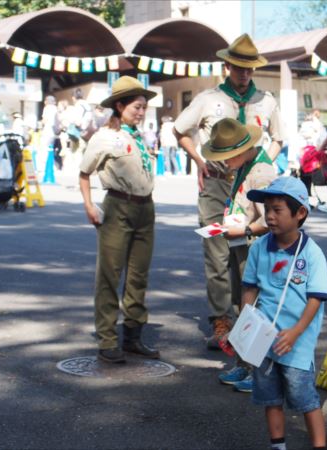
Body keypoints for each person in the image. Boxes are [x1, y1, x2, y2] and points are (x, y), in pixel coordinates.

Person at [173, 33, 283, 352]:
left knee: (247, 254)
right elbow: (179, 130)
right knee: (216, 253)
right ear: (227, 66)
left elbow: (278, 138)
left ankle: (247, 324)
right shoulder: (208, 99)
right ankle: (221, 322)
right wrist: (199, 160)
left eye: (249, 68)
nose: (244, 74)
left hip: (250, 185)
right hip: (218, 182)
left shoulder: (266, 100)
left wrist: (259, 167)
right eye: (238, 67)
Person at [243, 176, 327, 450]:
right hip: (263, 340)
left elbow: (315, 299)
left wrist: (295, 332)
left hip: (296, 345)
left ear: (300, 213)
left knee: (306, 400)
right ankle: (277, 445)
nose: (269, 216)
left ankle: (319, 445)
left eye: (277, 210)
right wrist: (244, 325)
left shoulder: (313, 254)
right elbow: (249, 288)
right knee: (270, 399)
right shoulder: (259, 247)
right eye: (267, 209)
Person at [78, 76, 159, 363]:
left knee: (138, 275)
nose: (141, 112)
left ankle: (133, 336)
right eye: (136, 107)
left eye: (144, 107)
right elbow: (84, 173)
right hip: (118, 206)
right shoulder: (105, 137)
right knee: (109, 276)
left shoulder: (139, 136)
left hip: (145, 209)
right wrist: (89, 205)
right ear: (120, 105)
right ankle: (107, 340)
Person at [202, 118, 277, 392]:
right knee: (241, 305)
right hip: (240, 245)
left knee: (256, 310)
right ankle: (245, 364)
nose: (223, 164)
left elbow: (270, 220)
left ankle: (259, 371)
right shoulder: (246, 167)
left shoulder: (261, 173)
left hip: (254, 248)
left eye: (226, 158)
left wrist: (243, 229)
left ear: (239, 151)